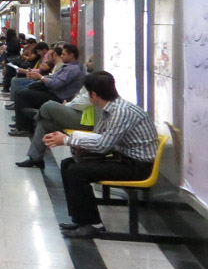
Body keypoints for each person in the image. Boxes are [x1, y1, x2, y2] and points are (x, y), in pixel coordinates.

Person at [44, 71, 160, 238]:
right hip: (123, 158)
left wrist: (68, 140)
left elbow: (103, 145)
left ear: (93, 94)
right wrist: (72, 140)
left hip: (137, 166)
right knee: (68, 164)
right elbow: (99, 135)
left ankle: (94, 224)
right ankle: (80, 219)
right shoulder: (111, 109)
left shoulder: (120, 112)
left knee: (77, 172)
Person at [11, 45, 84, 136]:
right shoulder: (68, 67)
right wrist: (41, 77)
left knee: (22, 94)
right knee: (23, 91)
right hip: (53, 92)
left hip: (58, 96)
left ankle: (24, 127)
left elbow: (56, 84)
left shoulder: (73, 69)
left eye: (64, 54)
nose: (61, 56)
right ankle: (21, 123)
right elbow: (53, 78)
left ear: (71, 55)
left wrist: (41, 78)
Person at [16, 85, 94, 169]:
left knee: (48, 105)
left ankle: (37, 114)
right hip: (79, 114)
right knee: (44, 123)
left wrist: (67, 105)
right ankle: (35, 158)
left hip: (86, 121)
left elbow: (84, 101)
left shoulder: (97, 82)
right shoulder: (92, 80)